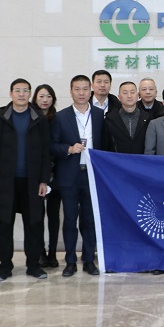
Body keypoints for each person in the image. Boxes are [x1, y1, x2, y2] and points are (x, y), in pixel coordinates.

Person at [0, 78, 53, 281]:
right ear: (11, 93)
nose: (21, 94)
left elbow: (46, 153)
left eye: (25, 90)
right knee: (5, 225)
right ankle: (5, 266)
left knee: (34, 224)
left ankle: (33, 265)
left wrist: (44, 180)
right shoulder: (0, 118)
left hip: (32, 182)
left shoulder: (39, 118)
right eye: (18, 90)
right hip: (6, 181)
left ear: (30, 94)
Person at [52, 75, 109, 276]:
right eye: (77, 89)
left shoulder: (99, 115)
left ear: (90, 91)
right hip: (69, 175)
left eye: (85, 89)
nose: (82, 93)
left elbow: (105, 144)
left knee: (89, 220)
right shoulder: (61, 116)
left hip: (92, 174)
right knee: (69, 219)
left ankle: (88, 260)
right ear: (71, 92)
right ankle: (70, 261)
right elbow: (52, 146)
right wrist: (68, 149)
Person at [32, 84, 60, 268]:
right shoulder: (30, 118)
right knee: (38, 215)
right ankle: (40, 251)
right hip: (36, 174)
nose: (45, 100)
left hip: (56, 172)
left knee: (54, 215)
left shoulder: (58, 119)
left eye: (48, 96)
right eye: (41, 96)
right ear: (35, 98)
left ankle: (53, 252)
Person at [106, 81, 150, 154]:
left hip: (142, 159)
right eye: (125, 93)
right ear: (119, 97)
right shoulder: (110, 119)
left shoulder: (148, 118)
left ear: (138, 95)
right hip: (117, 159)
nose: (129, 96)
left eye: (132, 92)